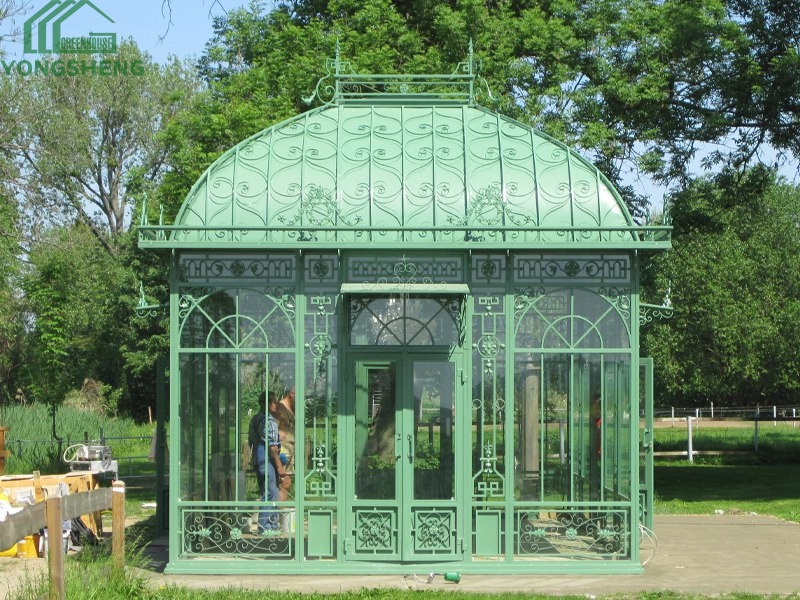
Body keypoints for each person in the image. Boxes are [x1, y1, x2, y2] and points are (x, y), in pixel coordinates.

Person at [263, 391, 287, 530]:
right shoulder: (270, 421)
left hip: (260, 461)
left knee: (266, 492)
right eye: (273, 402)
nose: (276, 405)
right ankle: (268, 527)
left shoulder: (257, 418)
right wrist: (279, 465)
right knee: (271, 493)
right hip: (269, 461)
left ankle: (268, 524)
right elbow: (273, 447)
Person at [275, 388, 296, 500]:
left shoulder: (293, 409)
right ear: (291, 394)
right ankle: (274, 512)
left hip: (291, 447)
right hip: (282, 448)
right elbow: (272, 430)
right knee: (280, 481)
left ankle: (281, 512)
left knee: (287, 483)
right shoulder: (280, 408)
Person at [247, 397, 267, 500]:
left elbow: (250, 439)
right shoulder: (268, 419)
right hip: (265, 456)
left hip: (257, 455)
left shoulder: (255, 419)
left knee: (263, 486)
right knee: (269, 487)